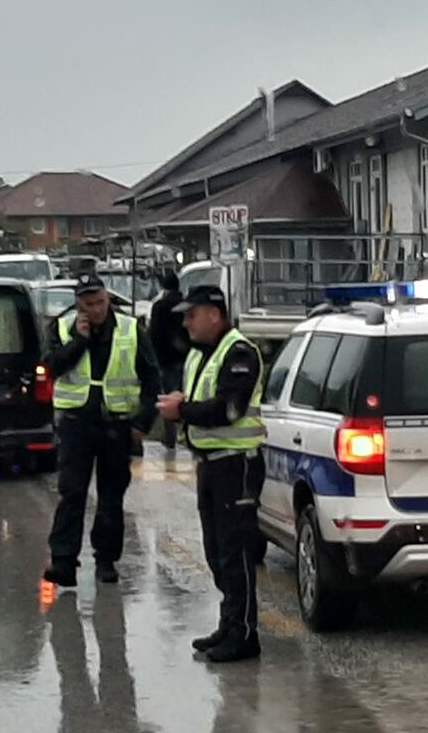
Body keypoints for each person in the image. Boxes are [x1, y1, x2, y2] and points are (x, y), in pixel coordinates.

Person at [156, 285, 266, 663]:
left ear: (214, 315)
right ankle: (230, 623)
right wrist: (183, 406)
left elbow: (228, 409)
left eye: (192, 315)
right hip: (211, 464)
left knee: (236, 551)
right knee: (217, 551)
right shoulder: (201, 354)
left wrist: (182, 410)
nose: (186, 323)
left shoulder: (239, 353)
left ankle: (245, 634)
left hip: (236, 464)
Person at [44, 274, 160, 588]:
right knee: (72, 492)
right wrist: (79, 341)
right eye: (88, 304)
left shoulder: (131, 329)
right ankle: (63, 561)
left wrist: (142, 423)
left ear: (108, 299)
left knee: (111, 496)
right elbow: (51, 367)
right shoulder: (63, 328)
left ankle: (106, 560)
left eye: (99, 302)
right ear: (78, 305)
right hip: (76, 422)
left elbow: (152, 378)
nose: (95, 310)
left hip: (116, 425)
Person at [146, 269, 191, 456]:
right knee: (185, 397)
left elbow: (154, 334)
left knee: (168, 399)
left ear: (163, 287)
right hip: (186, 358)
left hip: (165, 360)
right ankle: (186, 434)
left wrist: (154, 358)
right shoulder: (185, 305)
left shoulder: (160, 307)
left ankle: (170, 435)